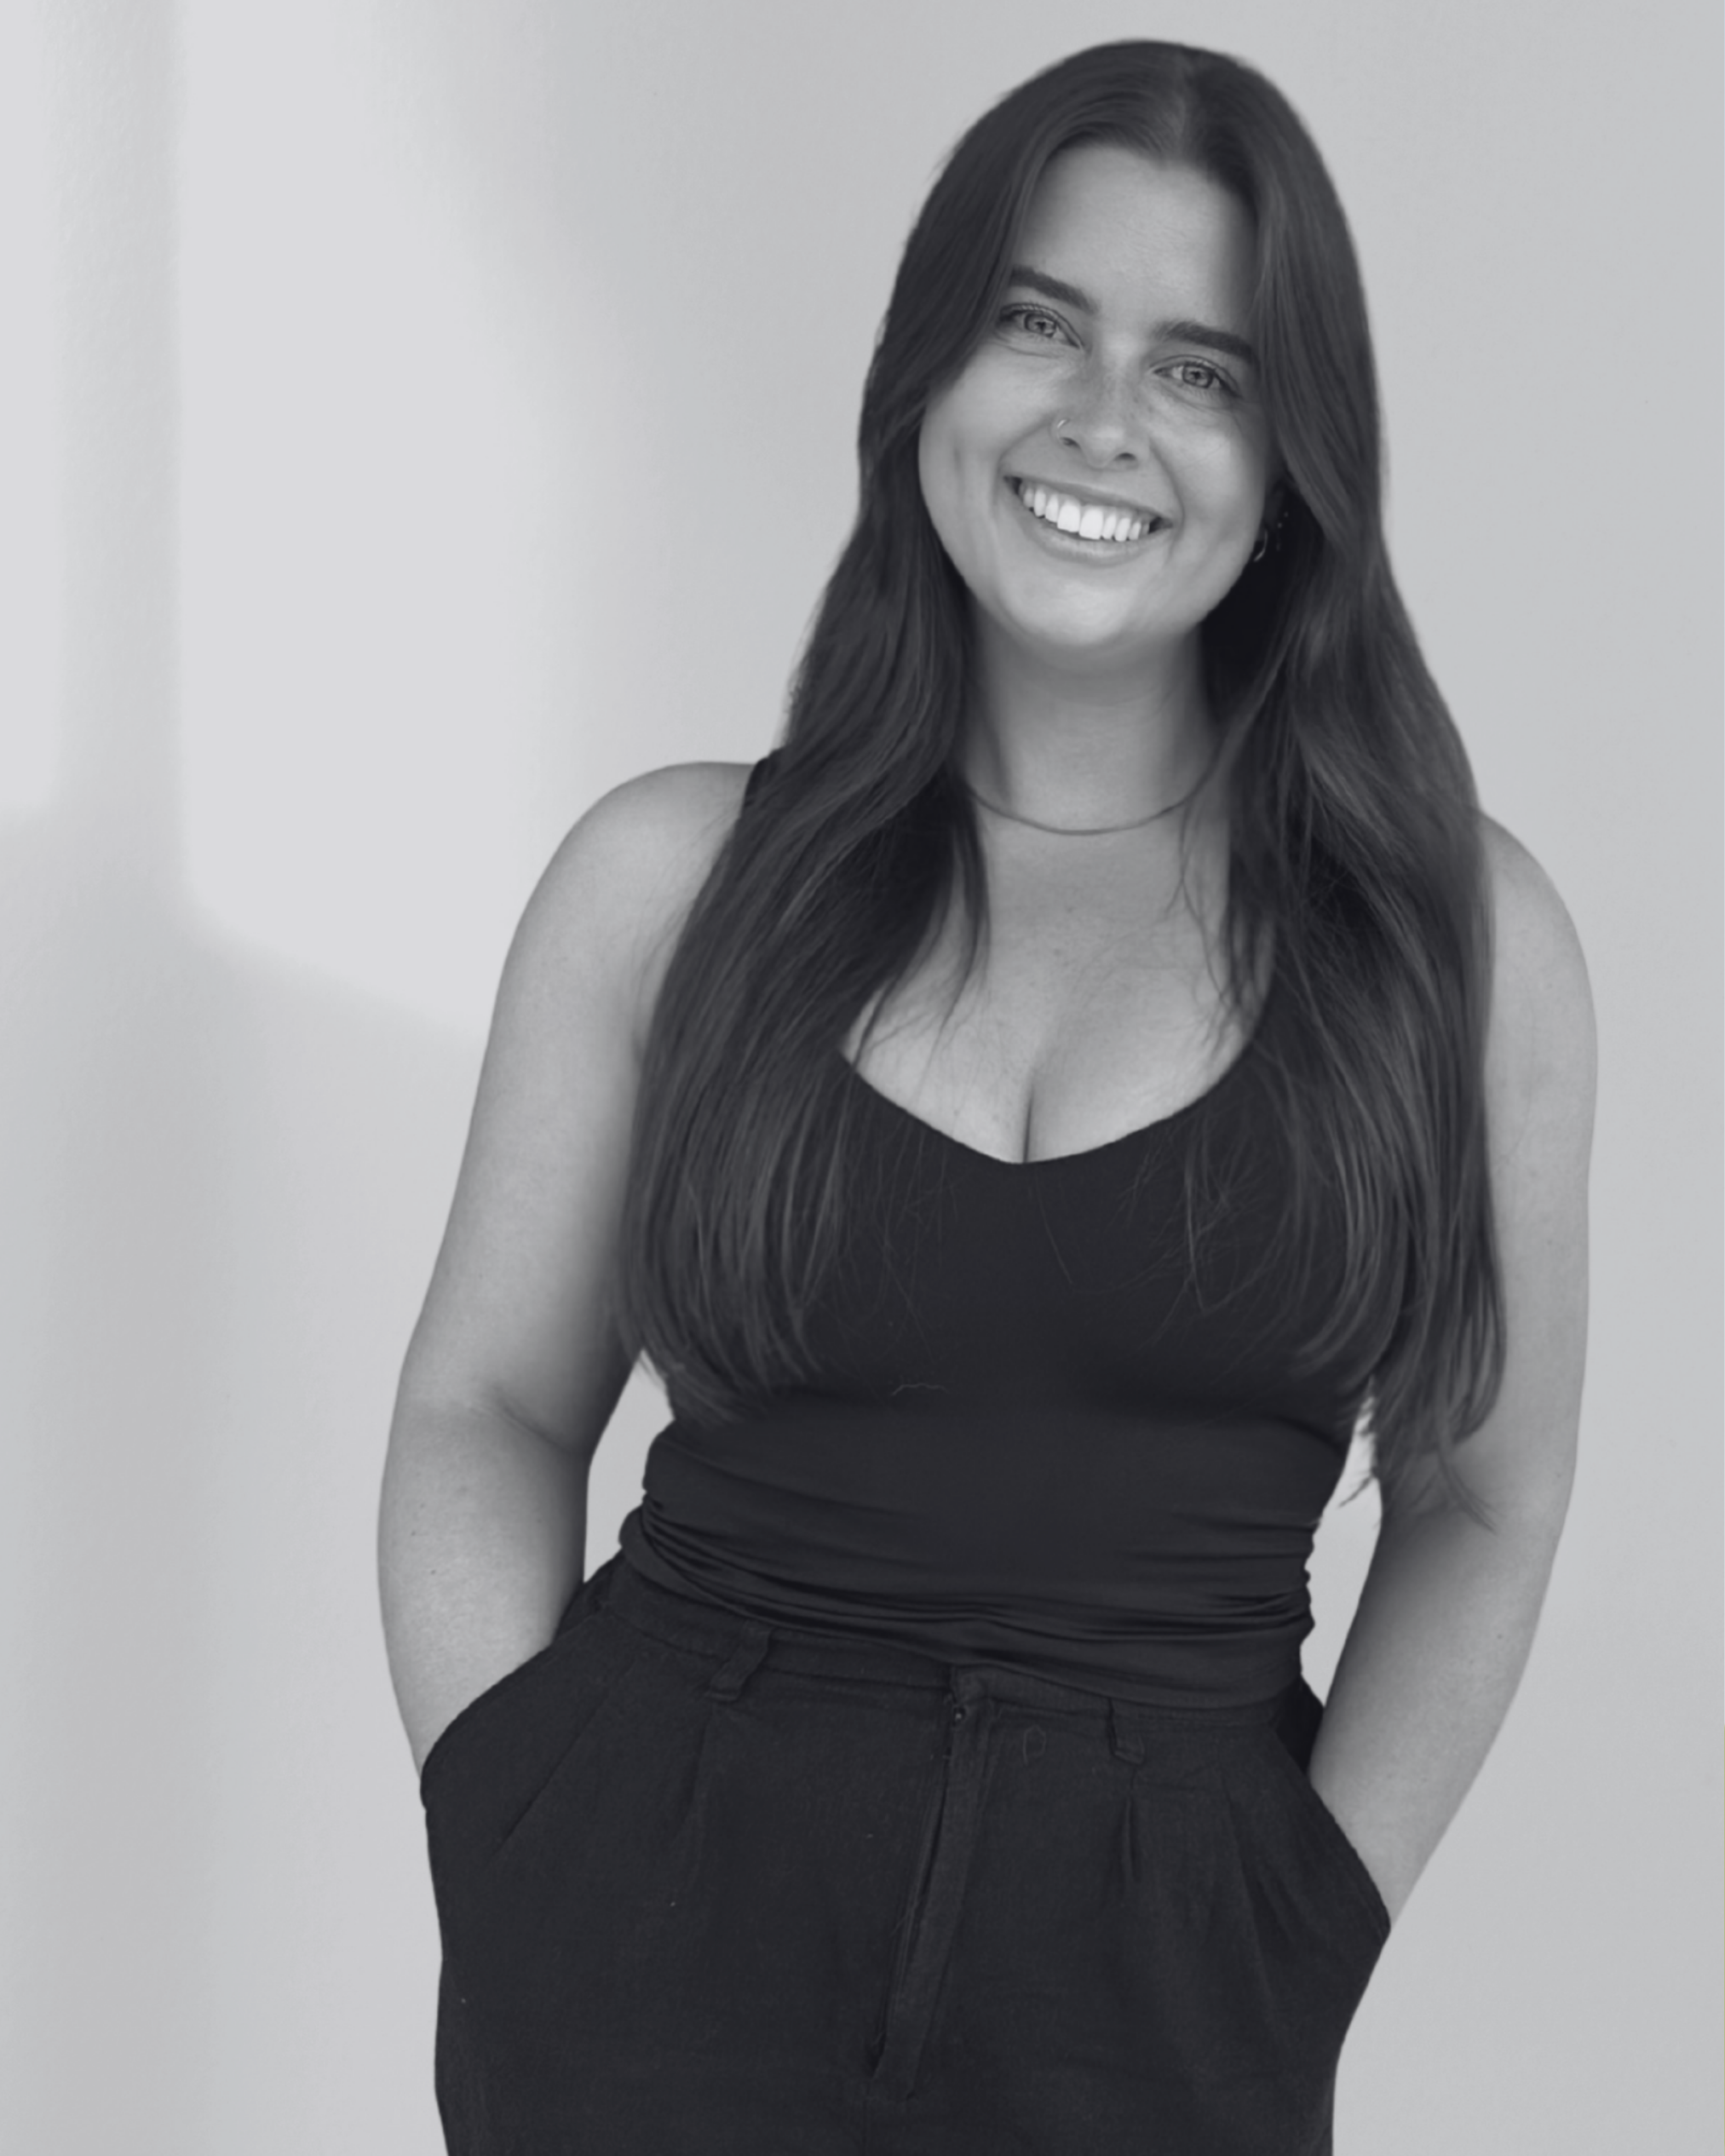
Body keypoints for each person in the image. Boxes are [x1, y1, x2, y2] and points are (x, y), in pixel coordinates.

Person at [377, 37, 1594, 2154]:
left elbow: (1483, 1496)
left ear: (1293, 453)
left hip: (1164, 1999)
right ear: (927, 368)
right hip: (636, 1956)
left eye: (1202, 368)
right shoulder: (665, 882)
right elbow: (486, 1400)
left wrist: (1301, 1923)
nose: (1102, 419)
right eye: (1041, 322)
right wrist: (515, 1819)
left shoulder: (1452, 938)